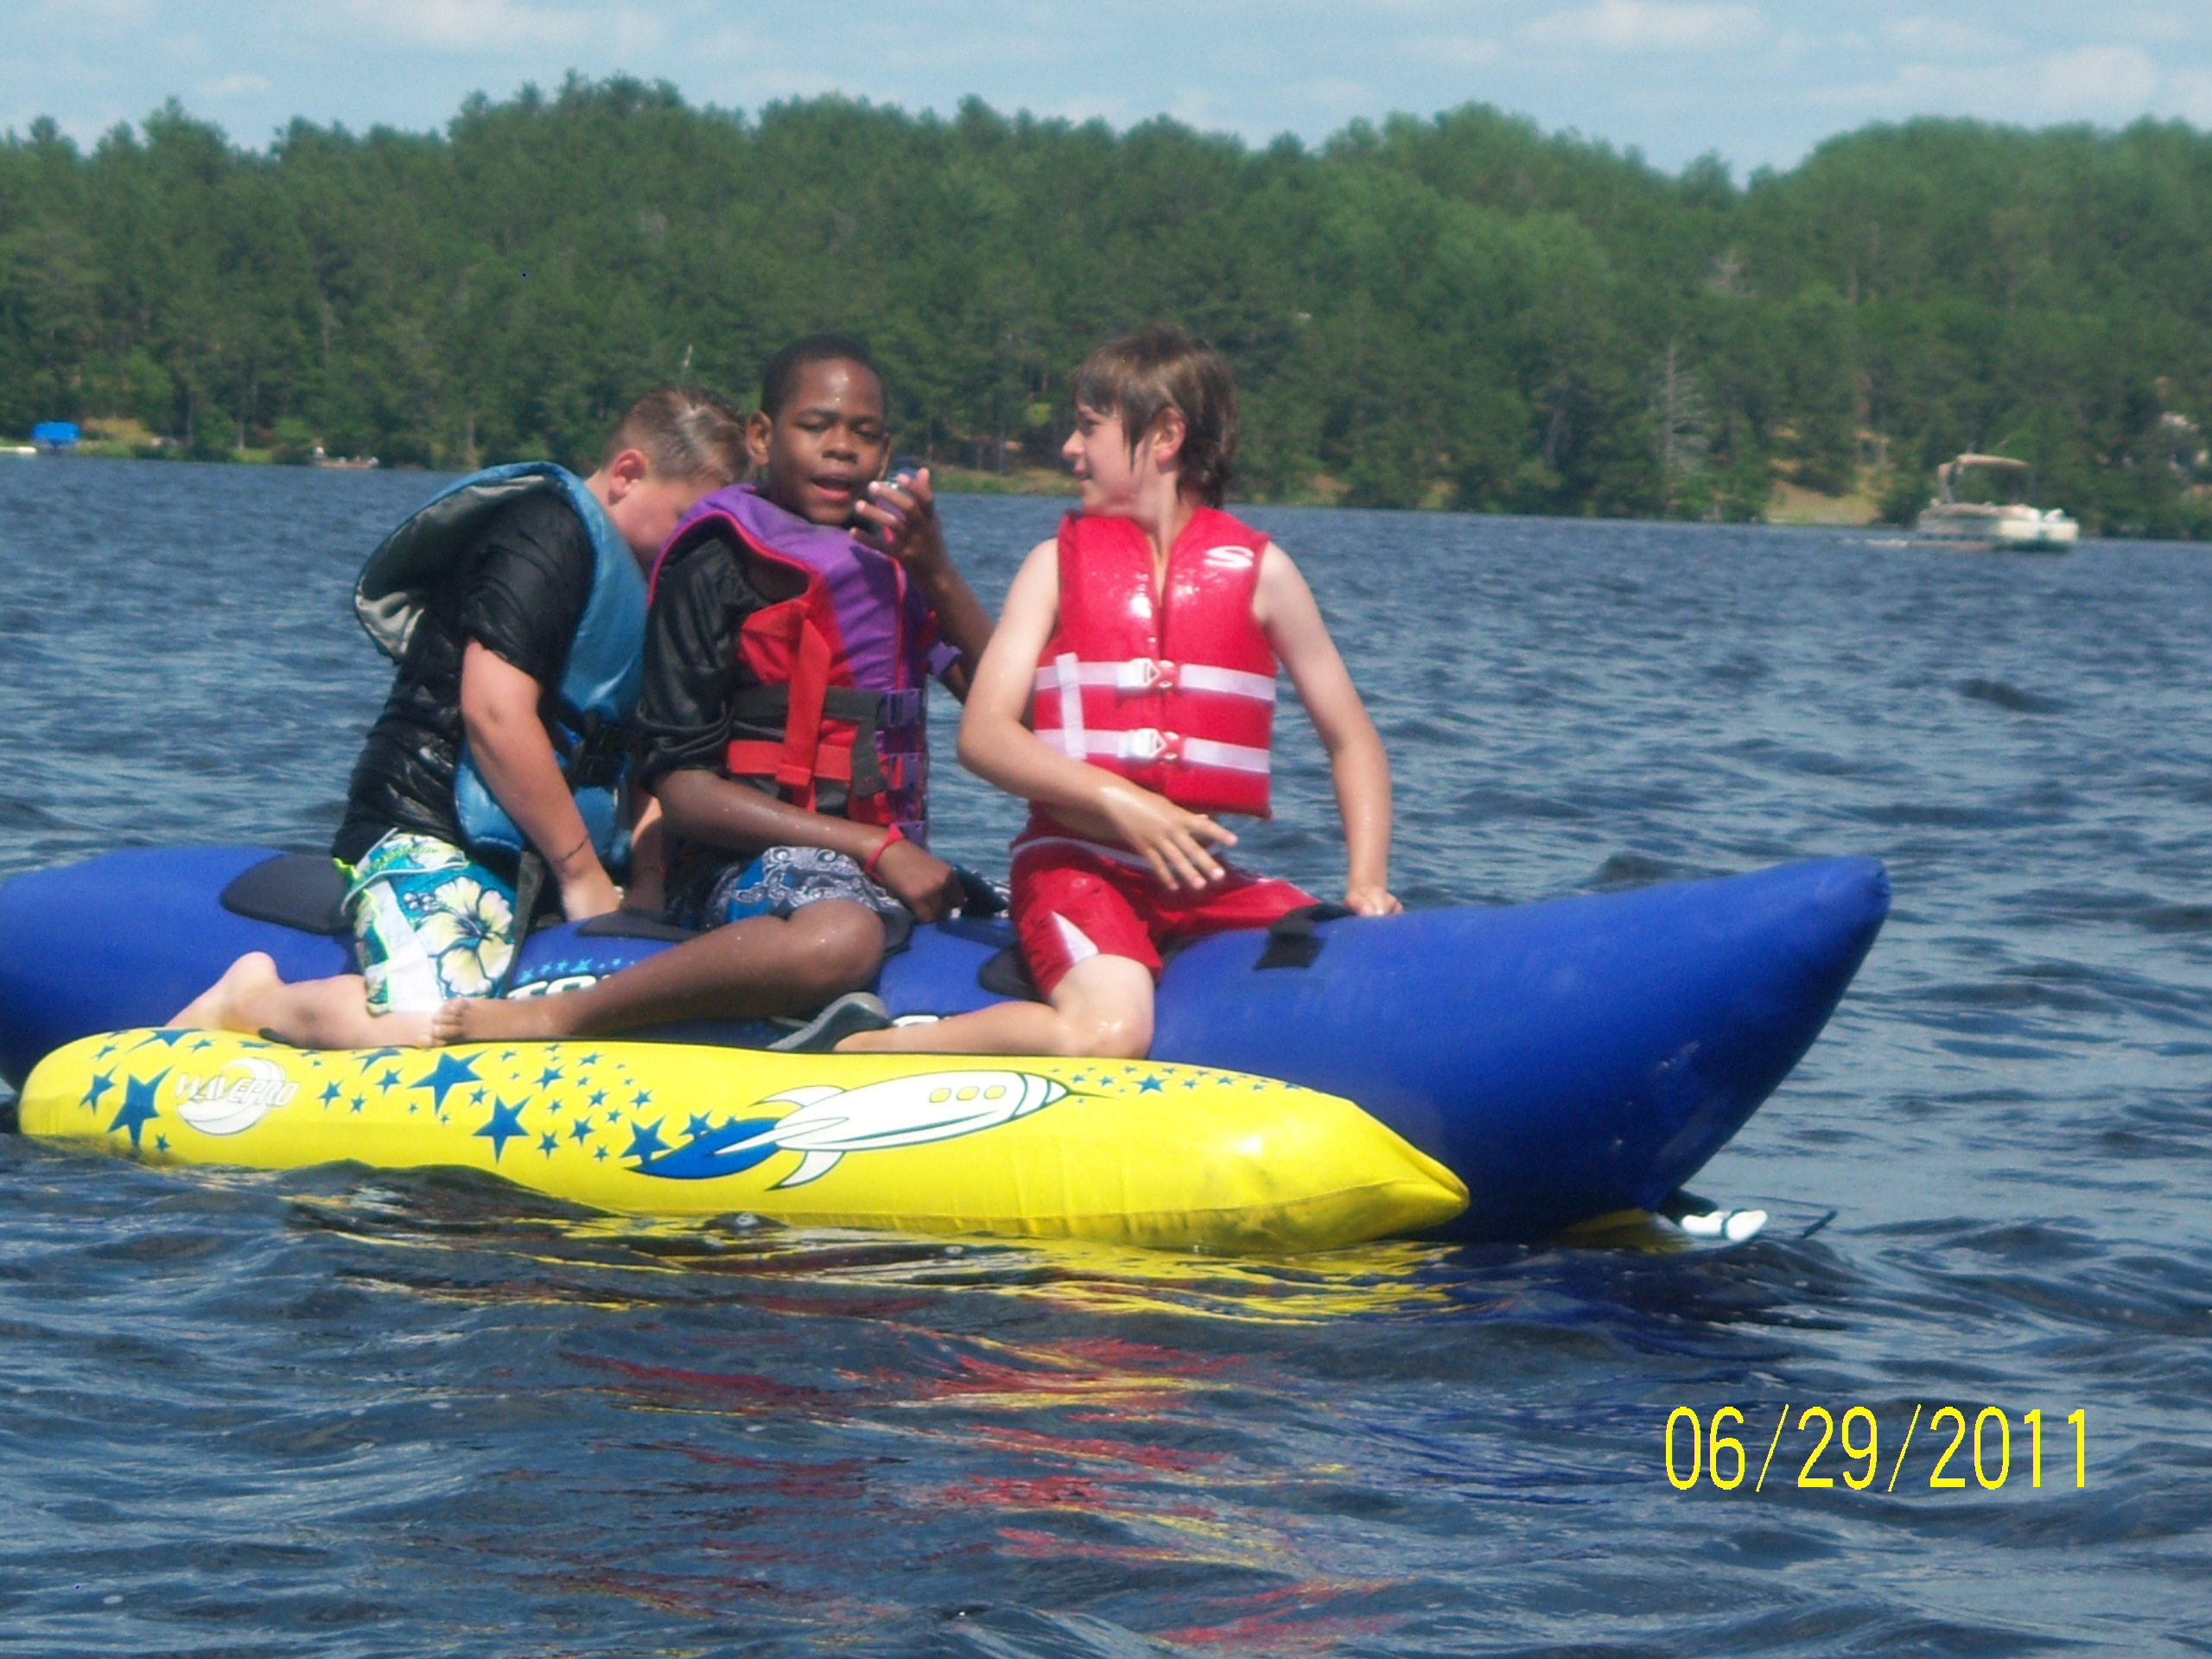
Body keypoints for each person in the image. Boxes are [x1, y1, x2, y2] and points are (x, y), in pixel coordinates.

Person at [841, 324, 1398, 1059]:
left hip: (1199, 881)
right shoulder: (1052, 567)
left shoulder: (1263, 574)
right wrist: (1118, 799)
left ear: (1164, 436)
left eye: (1089, 427)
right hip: (1077, 868)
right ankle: (870, 1051)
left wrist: (1367, 883)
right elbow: (984, 736)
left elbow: (1351, 739)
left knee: (1355, 952)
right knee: (1111, 1034)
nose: (1070, 449)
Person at [429, 334, 993, 1048]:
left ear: (886, 456)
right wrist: (877, 849)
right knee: (840, 939)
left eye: (865, 433)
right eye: (816, 425)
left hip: (875, 864)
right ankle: (558, 1015)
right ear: (762, 436)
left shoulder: (892, 565)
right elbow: (684, 792)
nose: (841, 448)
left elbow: (1017, 715)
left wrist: (936, 571)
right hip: (735, 868)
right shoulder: (715, 566)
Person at [172, 386, 749, 1046]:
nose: (693, 547)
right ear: (627, 474)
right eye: (684, 519)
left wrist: (646, 880)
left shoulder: (664, 587)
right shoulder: (545, 531)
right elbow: (494, 710)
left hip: (549, 854)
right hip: (429, 825)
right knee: (439, 1031)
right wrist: (581, 875)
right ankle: (251, 1000)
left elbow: (650, 755)